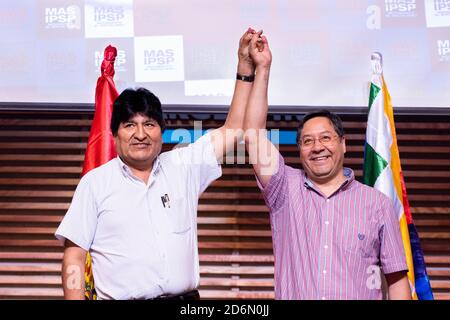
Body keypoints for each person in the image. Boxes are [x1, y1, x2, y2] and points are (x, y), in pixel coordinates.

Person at [55, 28, 258, 300]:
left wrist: (245, 67)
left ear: (162, 131)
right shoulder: (95, 183)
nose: (140, 134)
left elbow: (233, 130)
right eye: (130, 125)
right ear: (115, 134)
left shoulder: (183, 165)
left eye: (149, 124)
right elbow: (74, 256)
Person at [243, 32, 412, 300]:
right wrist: (262, 68)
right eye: (307, 141)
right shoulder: (285, 189)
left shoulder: (377, 203)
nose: (317, 147)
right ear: (299, 149)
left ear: (343, 144)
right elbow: (253, 134)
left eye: (325, 138)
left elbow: (397, 279)